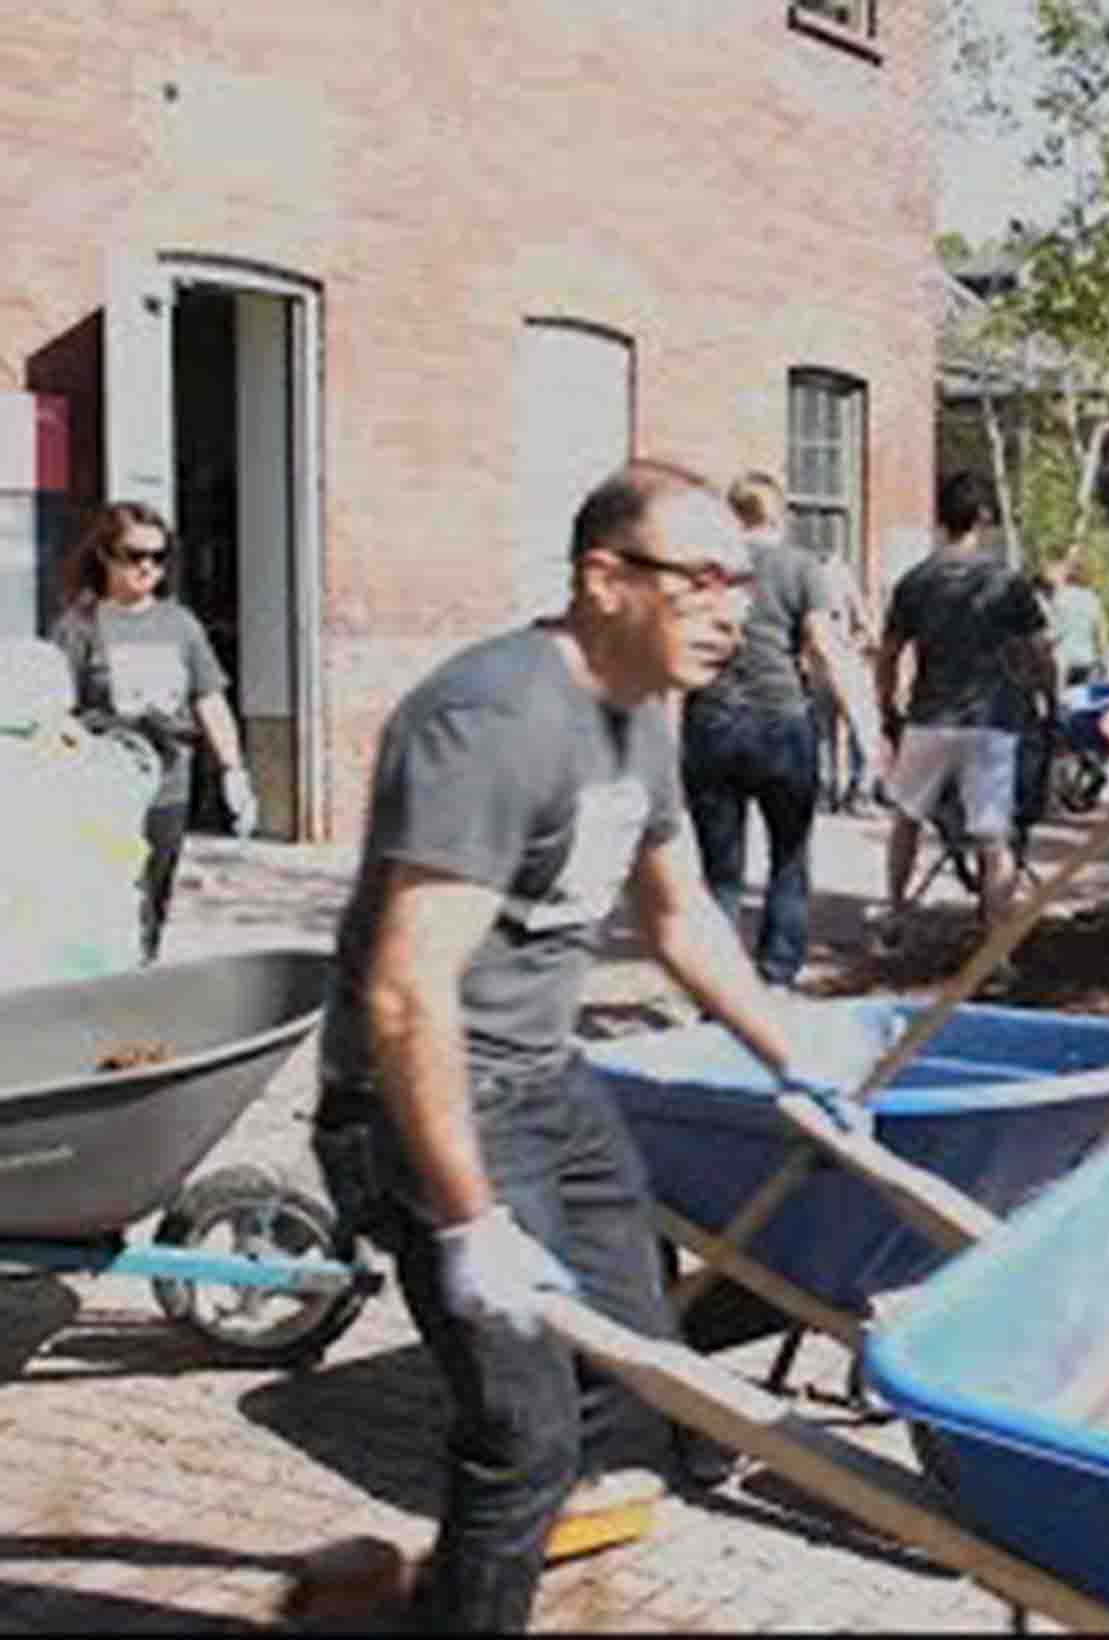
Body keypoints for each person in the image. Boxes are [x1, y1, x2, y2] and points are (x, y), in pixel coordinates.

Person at [305, 461, 877, 1633]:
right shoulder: (493, 720)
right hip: (421, 1100)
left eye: (743, 580)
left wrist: (797, 1057)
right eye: (703, 580)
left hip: (545, 1082)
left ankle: (431, 1583)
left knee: (635, 1362)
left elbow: (679, 919)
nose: (733, 608)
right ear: (604, 577)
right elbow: (410, 991)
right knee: (523, 1434)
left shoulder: (640, 715)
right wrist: (468, 1223)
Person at [678, 473, 873, 990]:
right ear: (778, 513)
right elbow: (823, 646)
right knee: (789, 855)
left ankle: (716, 985)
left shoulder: (707, 572)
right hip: (780, 718)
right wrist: (864, 727)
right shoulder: (800, 566)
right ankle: (776, 975)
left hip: (712, 719)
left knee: (719, 871)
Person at [51, 500, 257, 962]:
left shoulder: (180, 625)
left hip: (168, 787)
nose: (148, 567)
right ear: (105, 556)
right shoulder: (80, 627)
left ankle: (145, 969)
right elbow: (60, 711)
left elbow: (208, 698)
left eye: (158, 557)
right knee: (115, 895)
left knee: (155, 895)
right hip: (104, 788)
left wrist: (233, 771)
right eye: (134, 555)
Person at [874, 472, 1056, 958]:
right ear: (984, 519)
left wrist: (886, 706)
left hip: (929, 714)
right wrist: (1050, 698)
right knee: (994, 835)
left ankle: (895, 913)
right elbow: (1039, 651)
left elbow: (889, 652)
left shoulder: (915, 581)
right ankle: (996, 943)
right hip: (989, 719)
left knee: (907, 817)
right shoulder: (1006, 583)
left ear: (941, 518)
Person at [808, 526, 878, 816]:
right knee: (844, 729)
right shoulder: (831, 574)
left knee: (839, 729)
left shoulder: (827, 573)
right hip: (831, 664)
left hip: (831, 663)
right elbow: (866, 625)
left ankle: (839, 790)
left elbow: (864, 624)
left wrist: (854, 644)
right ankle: (844, 790)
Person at [1048, 551, 1108, 687]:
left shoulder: (1058, 598)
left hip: (1063, 664)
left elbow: (1052, 632)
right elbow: (1101, 632)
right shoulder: (1092, 598)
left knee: (1063, 704)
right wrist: (1103, 661)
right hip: (1086, 662)